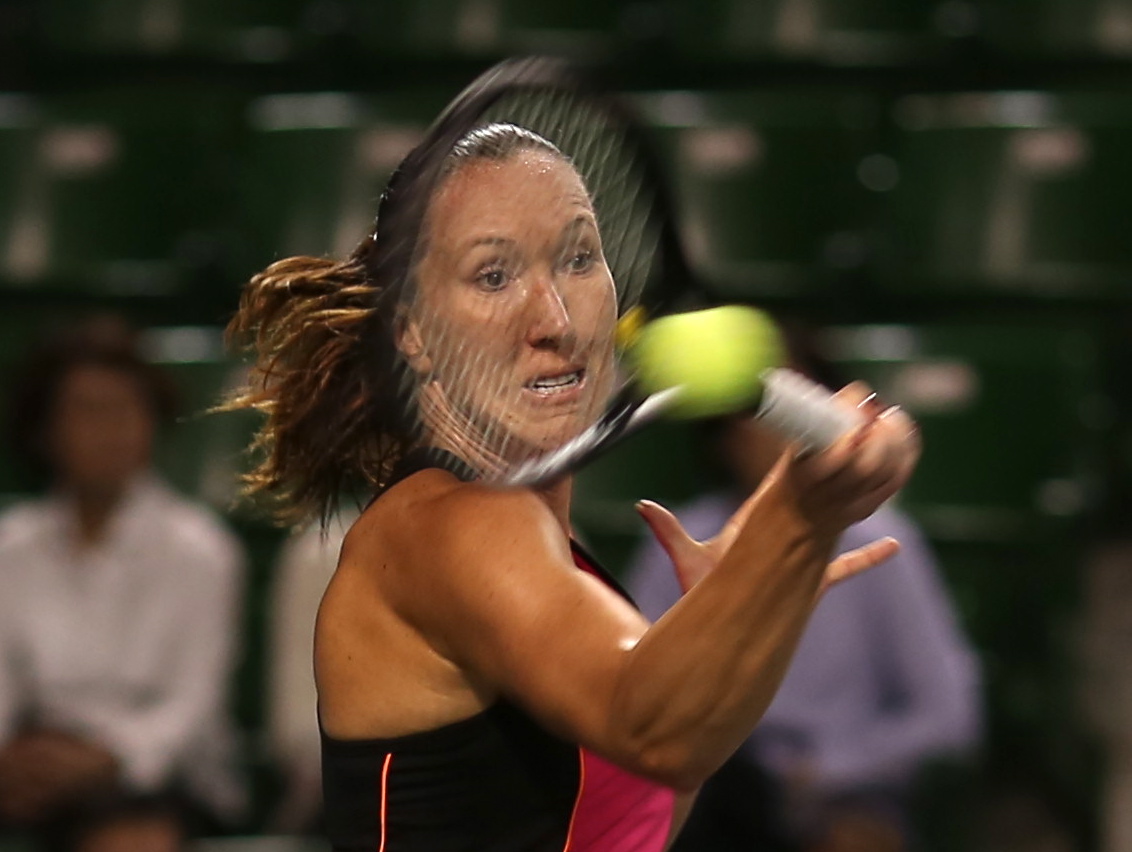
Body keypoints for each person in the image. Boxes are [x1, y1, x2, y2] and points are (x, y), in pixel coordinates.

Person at [223, 117, 920, 852]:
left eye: (579, 258)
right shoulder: (450, 524)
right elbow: (654, 731)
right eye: (493, 275)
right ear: (413, 333)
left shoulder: (543, 548)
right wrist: (797, 521)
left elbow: (631, 822)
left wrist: (742, 603)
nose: (554, 319)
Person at [626, 324, 981, 852]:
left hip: (844, 800)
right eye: (760, 410)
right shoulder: (679, 536)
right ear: (725, 437)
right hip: (711, 792)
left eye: (796, 405)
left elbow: (948, 716)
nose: (779, 429)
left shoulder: (885, 541)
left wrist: (826, 773)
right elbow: (636, 711)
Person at [0, 318, 246, 852]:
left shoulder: (202, 551)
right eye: (87, 411)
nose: (110, 430)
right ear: (45, 430)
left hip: (164, 784)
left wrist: (107, 758)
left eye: (126, 409)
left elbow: (190, 712)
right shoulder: (10, 548)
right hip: (37, 775)